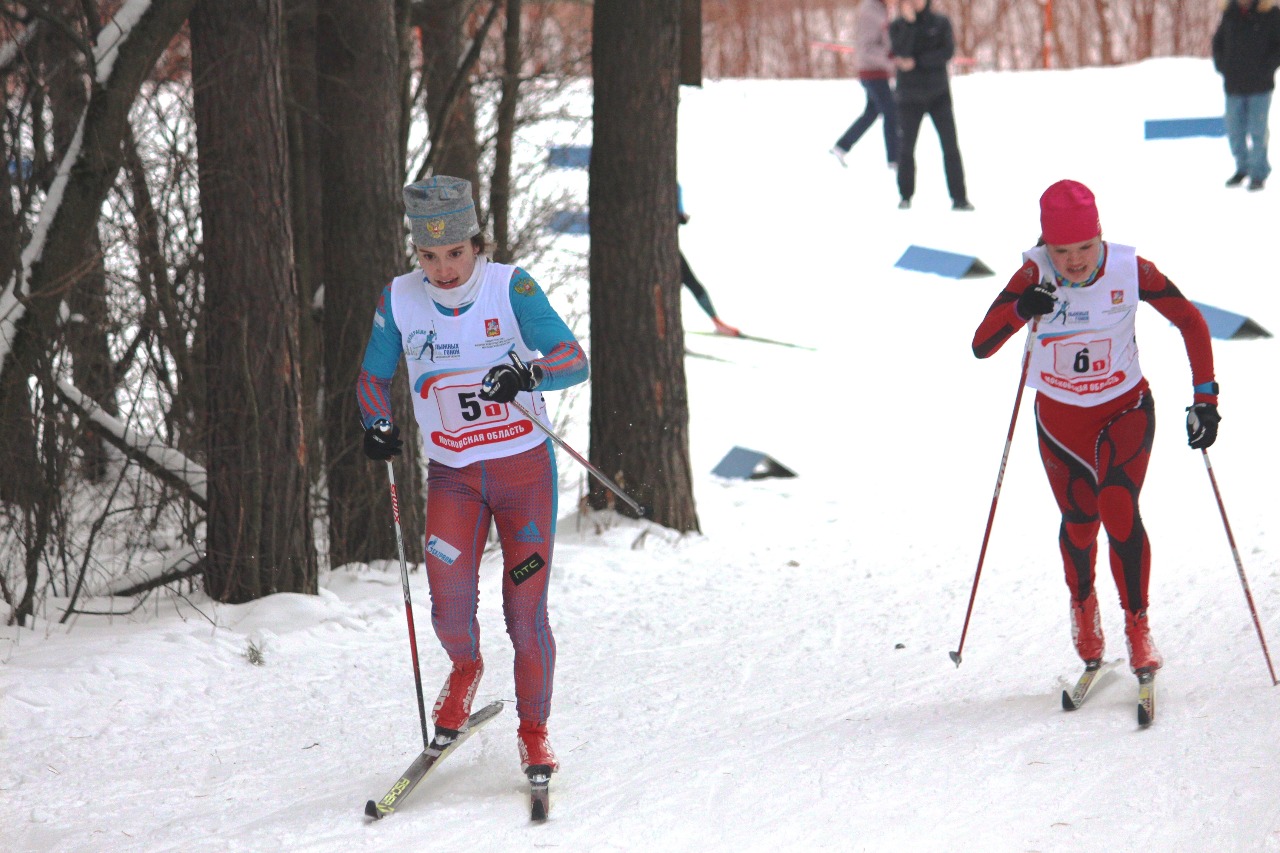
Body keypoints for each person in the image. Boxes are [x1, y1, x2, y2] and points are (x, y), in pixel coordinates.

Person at [356, 175, 589, 779]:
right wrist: (376, 423)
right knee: (448, 606)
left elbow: (572, 360)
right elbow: (372, 377)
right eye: (429, 257)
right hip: (453, 478)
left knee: (525, 613)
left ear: (475, 244)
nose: (444, 269)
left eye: (456, 253)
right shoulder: (400, 298)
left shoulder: (511, 286)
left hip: (524, 476)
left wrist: (526, 375)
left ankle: (534, 733)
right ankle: (464, 670)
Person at [971, 180, 1219, 677]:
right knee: (1081, 524)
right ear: (1046, 244)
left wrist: (1205, 397)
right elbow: (981, 344)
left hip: (1125, 409)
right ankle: (1083, 607)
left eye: (1086, 246)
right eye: (1062, 250)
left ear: (1100, 235)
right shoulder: (1034, 274)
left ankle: (1137, 624)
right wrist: (1023, 309)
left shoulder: (1130, 268)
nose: (1076, 260)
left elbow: (1191, 320)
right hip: (1061, 424)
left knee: (1118, 506)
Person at [889, 0, 972, 210]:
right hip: (909, 97)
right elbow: (900, 52)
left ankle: (959, 198)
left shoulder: (941, 22)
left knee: (950, 146)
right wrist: (909, 25)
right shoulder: (898, 25)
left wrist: (917, 62)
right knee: (906, 148)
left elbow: (946, 53)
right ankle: (905, 196)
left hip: (938, 95)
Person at [1212, 0, 1280, 191]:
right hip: (1234, 85)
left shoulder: (1270, 14)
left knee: (1257, 131)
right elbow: (1218, 42)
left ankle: (1258, 173)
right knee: (1235, 131)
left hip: (1260, 86)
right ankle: (1242, 168)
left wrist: (1266, 69)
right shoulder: (1230, 13)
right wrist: (1222, 65)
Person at [830, 0, 899, 171]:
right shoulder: (871, 11)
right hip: (872, 71)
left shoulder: (881, 9)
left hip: (878, 71)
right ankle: (895, 160)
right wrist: (891, 58)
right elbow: (867, 49)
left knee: (872, 112)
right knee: (891, 113)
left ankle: (841, 146)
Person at [678, 184, 740, 336]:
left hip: (668, 245)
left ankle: (717, 323)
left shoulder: (674, 186)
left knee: (689, 282)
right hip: (666, 246)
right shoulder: (672, 186)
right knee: (688, 282)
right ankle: (716, 323)